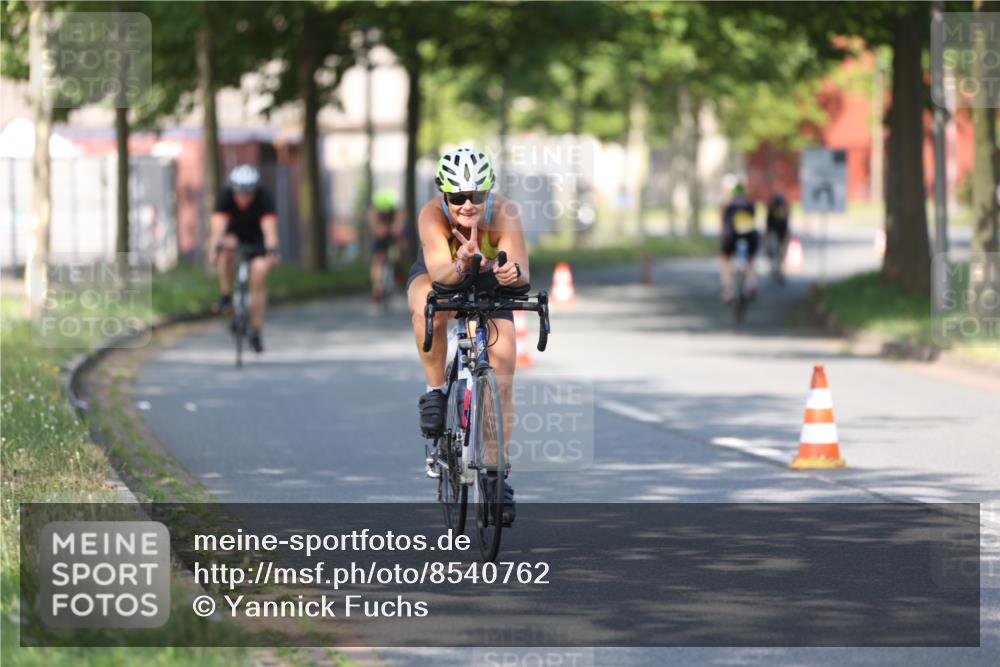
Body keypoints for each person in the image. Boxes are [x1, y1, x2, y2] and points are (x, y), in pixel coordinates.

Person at [406, 147, 528, 523]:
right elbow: (441, 274)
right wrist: (462, 260)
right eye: (457, 197)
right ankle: (435, 393)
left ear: (488, 193)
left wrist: (512, 275)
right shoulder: (431, 216)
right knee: (427, 304)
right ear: (444, 195)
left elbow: (521, 270)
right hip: (443, 272)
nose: (467, 205)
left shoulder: (505, 214)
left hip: (489, 280)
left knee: (502, 369)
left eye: (475, 195)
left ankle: (495, 473)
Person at [208, 164, 279, 353]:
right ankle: (225, 295)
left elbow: (270, 229)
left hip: (257, 239)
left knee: (258, 275)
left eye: (249, 193)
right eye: (240, 193)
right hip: (235, 234)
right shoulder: (225, 197)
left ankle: (256, 329)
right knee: (226, 249)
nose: (244, 198)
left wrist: (272, 250)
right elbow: (218, 228)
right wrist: (214, 250)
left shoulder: (264, 198)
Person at [719, 182, 759, 304]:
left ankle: (727, 292)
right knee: (750, 260)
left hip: (732, 235)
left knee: (726, 260)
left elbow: (723, 223)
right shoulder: (750, 204)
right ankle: (751, 283)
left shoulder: (728, 204)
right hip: (749, 234)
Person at [368, 187, 405, 305]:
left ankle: (398, 270)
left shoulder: (396, 211)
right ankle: (377, 289)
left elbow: (399, 224)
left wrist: (395, 229)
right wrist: (380, 230)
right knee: (378, 260)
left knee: (399, 249)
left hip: (392, 238)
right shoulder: (374, 212)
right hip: (380, 239)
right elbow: (376, 228)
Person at [765, 192, 791, 284]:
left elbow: (768, 221)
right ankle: (779, 268)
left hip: (776, 231)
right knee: (779, 250)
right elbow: (787, 222)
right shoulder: (785, 208)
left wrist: (767, 233)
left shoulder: (772, 207)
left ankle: (777, 267)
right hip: (780, 231)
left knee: (774, 250)